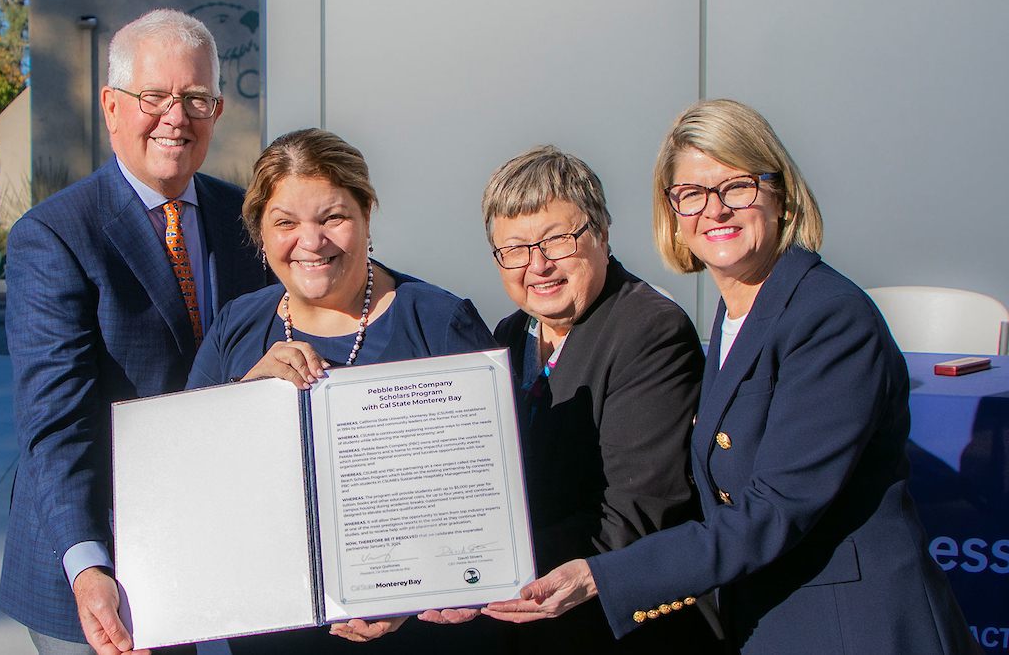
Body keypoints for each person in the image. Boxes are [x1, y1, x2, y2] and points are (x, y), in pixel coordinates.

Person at [481, 100, 981, 654]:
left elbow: (774, 507)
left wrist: (602, 575)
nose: (714, 210)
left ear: (779, 191)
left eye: (736, 187)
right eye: (691, 195)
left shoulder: (829, 316)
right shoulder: (738, 314)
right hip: (773, 619)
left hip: (853, 628)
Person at [0, 9, 266, 655]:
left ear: (217, 109)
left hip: (216, 549)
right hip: (102, 559)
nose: (176, 116)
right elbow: (56, 424)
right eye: (155, 96)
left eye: (196, 98)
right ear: (111, 105)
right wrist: (91, 569)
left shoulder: (248, 217)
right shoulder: (55, 235)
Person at [185, 128, 500, 655]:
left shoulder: (440, 322)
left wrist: (421, 583)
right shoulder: (236, 328)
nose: (311, 242)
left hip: (417, 635)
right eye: (285, 222)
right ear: (261, 233)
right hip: (276, 636)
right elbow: (188, 481)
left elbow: (495, 491)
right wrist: (245, 400)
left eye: (332, 217)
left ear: (367, 215)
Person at [463, 145, 720, 652]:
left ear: (601, 233)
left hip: (612, 626)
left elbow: (637, 511)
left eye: (557, 240)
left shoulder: (649, 329)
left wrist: (483, 568)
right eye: (514, 249)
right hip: (530, 618)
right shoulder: (510, 335)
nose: (537, 266)